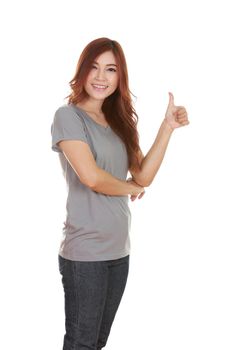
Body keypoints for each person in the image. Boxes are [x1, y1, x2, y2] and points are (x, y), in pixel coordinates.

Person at [51, 37, 189, 350]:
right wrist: (130, 187)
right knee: (81, 343)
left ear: (120, 77)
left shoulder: (119, 122)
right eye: (94, 68)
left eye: (110, 69)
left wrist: (166, 128)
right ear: (82, 72)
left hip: (118, 251)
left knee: (97, 342)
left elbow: (144, 175)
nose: (101, 77)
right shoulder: (68, 117)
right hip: (85, 254)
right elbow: (91, 177)